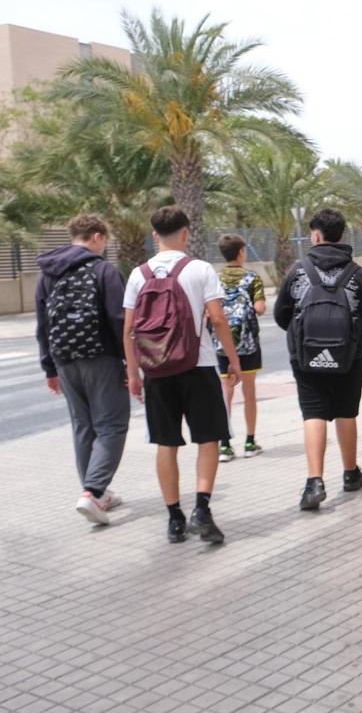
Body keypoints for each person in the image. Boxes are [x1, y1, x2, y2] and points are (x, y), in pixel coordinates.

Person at [123, 206, 242, 544]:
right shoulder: (200, 269)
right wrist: (231, 361)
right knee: (208, 437)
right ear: (186, 233)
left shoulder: (138, 274)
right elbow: (218, 319)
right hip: (199, 365)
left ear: (154, 235)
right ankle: (201, 509)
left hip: (157, 370)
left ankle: (174, 519)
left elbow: (130, 329)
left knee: (166, 442)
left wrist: (133, 373)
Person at [274, 208, 362, 511]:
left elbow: (282, 315)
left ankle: (314, 482)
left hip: (306, 357)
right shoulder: (357, 273)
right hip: (349, 356)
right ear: (342, 235)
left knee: (314, 413)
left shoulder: (297, 271)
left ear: (316, 236)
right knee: (346, 412)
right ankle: (350, 473)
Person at [35, 214, 129, 525]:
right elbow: (119, 320)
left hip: (64, 359)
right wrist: (130, 361)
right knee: (112, 424)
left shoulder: (47, 273)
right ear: (98, 236)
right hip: (101, 356)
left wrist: (49, 367)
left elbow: (42, 326)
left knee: (83, 425)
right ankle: (92, 491)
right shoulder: (104, 270)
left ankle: (97, 493)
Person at [212, 234, 267, 462]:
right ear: (241, 252)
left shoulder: (216, 279)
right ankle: (250, 442)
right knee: (249, 392)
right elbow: (260, 308)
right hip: (249, 345)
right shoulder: (252, 278)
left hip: (223, 345)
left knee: (227, 392)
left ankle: (225, 445)